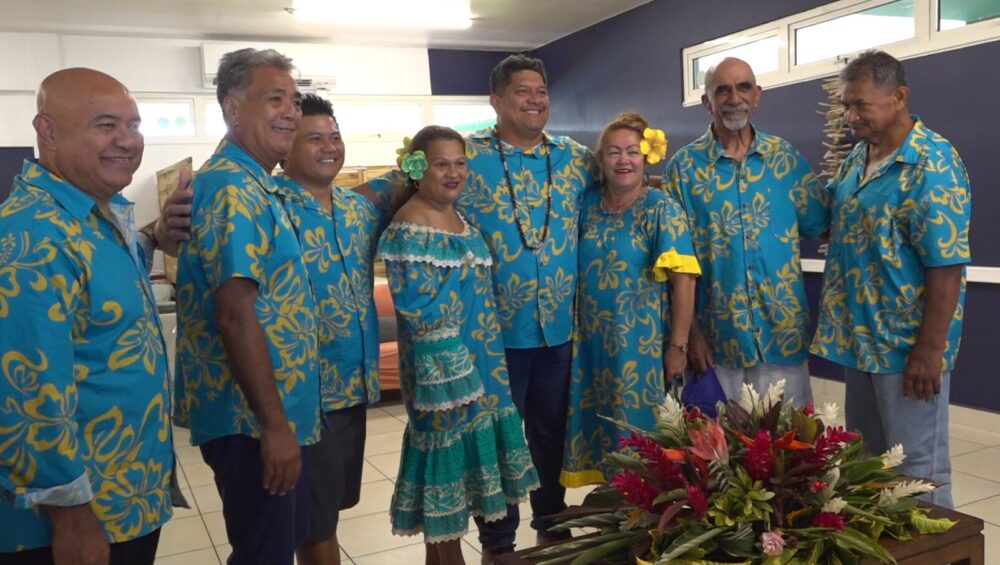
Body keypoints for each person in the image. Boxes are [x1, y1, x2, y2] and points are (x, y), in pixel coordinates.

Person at [360, 54, 596, 556]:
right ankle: (499, 540)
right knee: (494, 438)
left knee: (550, 434)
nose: (534, 100)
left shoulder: (577, 159)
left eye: (541, 91)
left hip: (558, 329)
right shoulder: (465, 155)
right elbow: (379, 193)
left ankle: (552, 522)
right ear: (496, 100)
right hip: (492, 337)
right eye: (522, 91)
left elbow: (622, 182)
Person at [0, 68, 175, 565]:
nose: (127, 140)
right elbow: (27, 393)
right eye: (105, 125)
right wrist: (71, 518)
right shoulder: (33, 234)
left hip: (124, 496)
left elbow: (100, 300)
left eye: (133, 125)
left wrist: (155, 236)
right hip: (72, 522)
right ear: (47, 131)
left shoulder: (95, 216)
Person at [174, 48, 320, 564]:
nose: (291, 112)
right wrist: (275, 427)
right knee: (264, 554)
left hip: (268, 416)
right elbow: (235, 315)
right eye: (275, 99)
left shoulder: (257, 183)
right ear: (232, 108)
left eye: (295, 101)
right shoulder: (232, 186)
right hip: (251, 423)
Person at [811, 50, 971, 508]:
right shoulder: (857, 158)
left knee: (918, 473)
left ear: (899, 97)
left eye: (860, 105)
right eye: (846, 105)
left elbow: (946, 265)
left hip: (906, 350)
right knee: (868, 466)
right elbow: (830, 216)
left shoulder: (932, 163)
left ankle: (936, 546)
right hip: (860, 341)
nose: (850, 116)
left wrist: (930, 350)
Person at [376, 126, 539, 565]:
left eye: (460, 163)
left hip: (484, 366)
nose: (454, 172)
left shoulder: (458, 217)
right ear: (418, 169)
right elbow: (418, 308)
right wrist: (452, 375)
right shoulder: (411, 223)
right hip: (445, 376)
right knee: (444, 486)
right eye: (441, 164)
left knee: (468, 482)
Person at [663, 57, 829, 408]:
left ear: (757, 96)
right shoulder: (683, 169)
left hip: (783, 336)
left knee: (790, 441)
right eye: (722, 90)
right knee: (719, 443)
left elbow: (824, 224)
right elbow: (676, 266)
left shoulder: (785, 160)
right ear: (707, 102)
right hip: (717, 344)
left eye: (743, 87)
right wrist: (691, 334)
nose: (734, 97)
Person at [272, 93, 386, 565]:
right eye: (314, 138)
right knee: (312, 522)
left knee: (328, 512)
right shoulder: (268, 204)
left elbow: (409, 181)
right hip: (304, 396)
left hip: (353, 387)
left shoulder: (359, 209)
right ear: (286, 147)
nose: (329, 147)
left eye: (334, 137)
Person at [561, 113, 699, 487]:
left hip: (641, 348)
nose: (624, 160)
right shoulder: (587, 205)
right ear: (601, 160)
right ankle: (610, 506)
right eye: (614, 152)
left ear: (646, 157)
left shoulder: (661, 208)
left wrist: (678, 346)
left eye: (632, 152)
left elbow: (684, 281)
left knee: (641, 438)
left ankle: (642, 512)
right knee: (602, 432)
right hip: (590, 347)